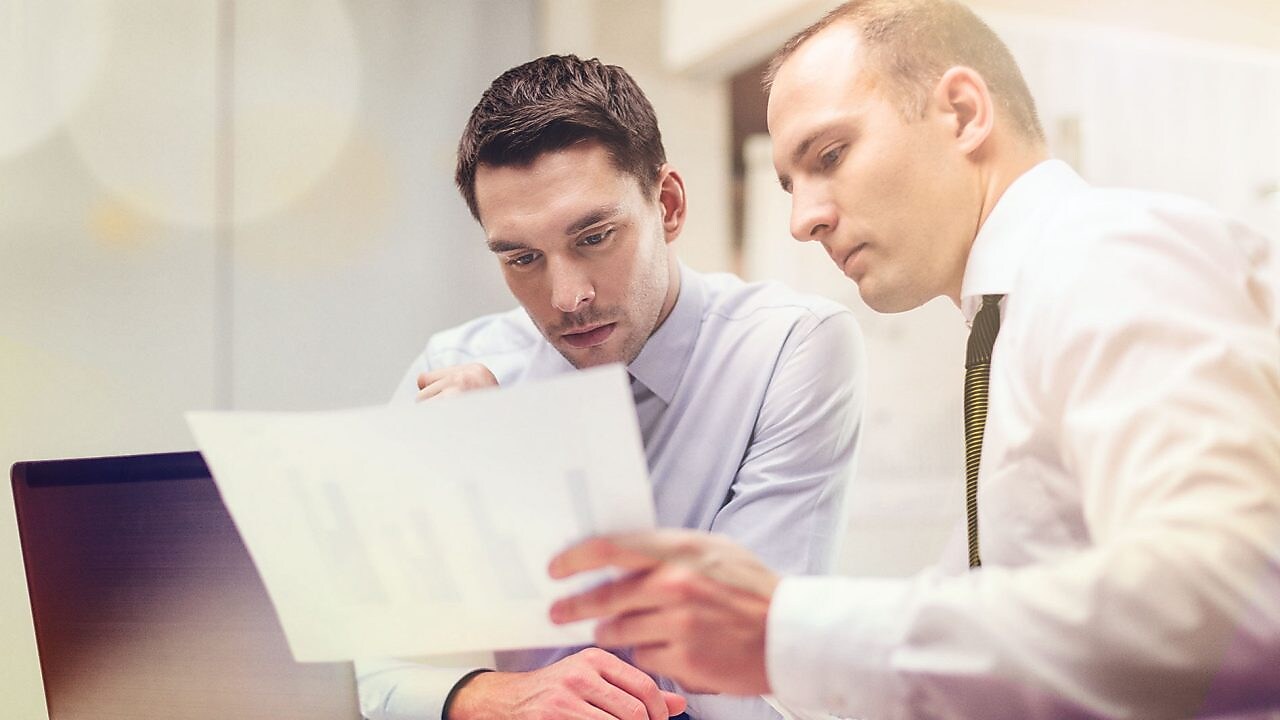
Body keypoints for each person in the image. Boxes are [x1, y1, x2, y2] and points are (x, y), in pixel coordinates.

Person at [547, 2, 1280, 719]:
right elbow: (993, 655)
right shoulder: (1007, 319)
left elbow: (1236, 597)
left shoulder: (1111, 252)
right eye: (791, 185)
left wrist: (786, 627)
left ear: (962, 112)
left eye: (829, 156)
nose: (805, 220)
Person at [356, 54, 867, 720]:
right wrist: (489, 697)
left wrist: (524, 469)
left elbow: (739, 674)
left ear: (670, 205)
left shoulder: (790, 349)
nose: (567, 298)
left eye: (594, 237)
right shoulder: (453, 364)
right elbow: (375, 671)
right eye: (521, 259)